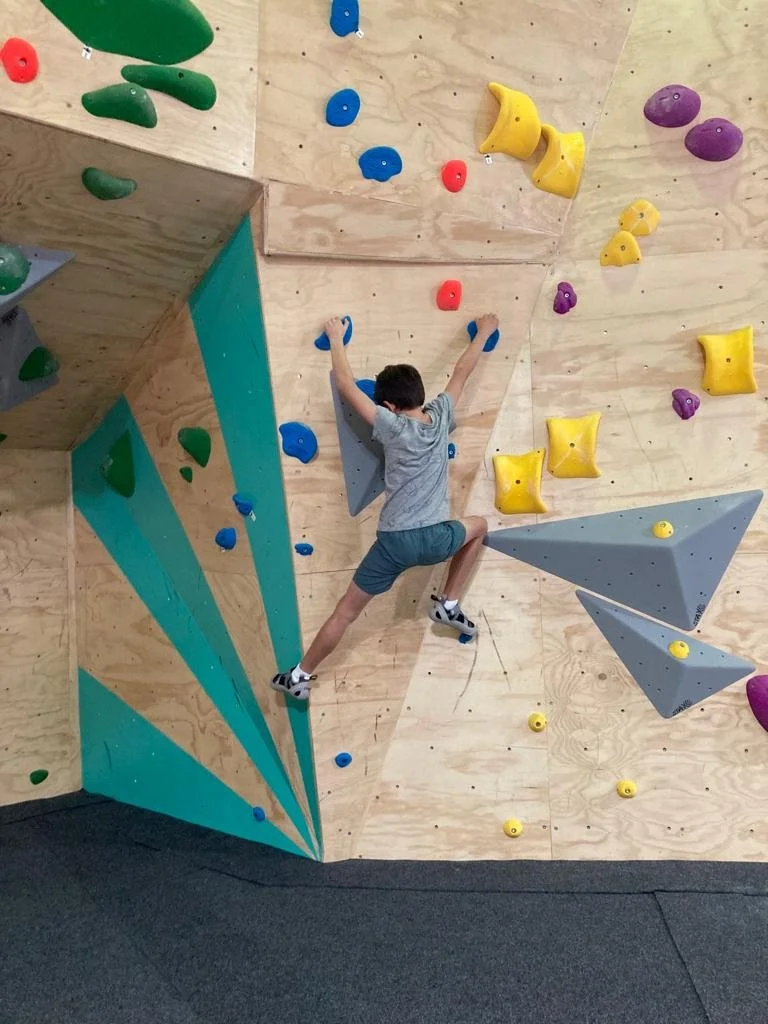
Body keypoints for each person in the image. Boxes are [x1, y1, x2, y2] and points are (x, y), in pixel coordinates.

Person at [271, 313, 498, 700]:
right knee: (478, 526)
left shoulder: (392, 427)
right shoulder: (441, 415)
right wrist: (485, 333)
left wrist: (336, 338)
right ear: (420, 395)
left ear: (390, 406)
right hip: (437, 539)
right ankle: (450, 603)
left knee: (346, 611)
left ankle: (299, 676)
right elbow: (462, 372)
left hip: (394, 543)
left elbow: (344, 384)